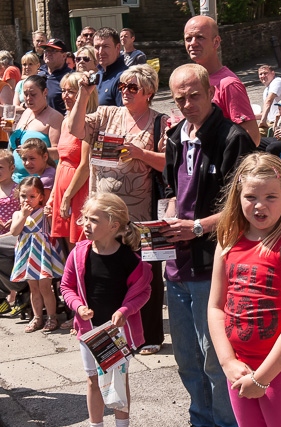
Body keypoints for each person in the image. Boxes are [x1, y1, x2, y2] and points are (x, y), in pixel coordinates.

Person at [160, 63, 255, 427]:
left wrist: (197, 228)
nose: (187, 104)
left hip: (212, 264)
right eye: (180, 98)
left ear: (211, 93)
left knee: (216, 359)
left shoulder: (232, 138)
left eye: (194, 95)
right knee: (186, 358)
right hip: (176, 264)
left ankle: (227, 423)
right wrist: (167, 215)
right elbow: (170, 190)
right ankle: (200, 419)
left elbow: (245, 207)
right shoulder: (174, 138)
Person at [68, 63, 167, 356]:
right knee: (106, 273)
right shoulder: (108, 114)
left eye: (132, 87)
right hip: (104, 212)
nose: (125, 92)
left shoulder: (160, 122)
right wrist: (84, 95)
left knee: (143, 273)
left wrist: (140, 153)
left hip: (140, 214)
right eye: (122, 86)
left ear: (148, 92)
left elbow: (166, 163)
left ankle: (149, 336)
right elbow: (75, 129)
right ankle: (109, 335)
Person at [208, 152, 281, 427]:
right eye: (251, 197)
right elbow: (215, 307)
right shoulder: (228, 239)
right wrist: (227, 362)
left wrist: (263, 377)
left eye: (271, 197)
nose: (260, 206)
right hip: (239, 368)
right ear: (238, 196)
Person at [60, 192, 152, 427]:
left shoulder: (129, 260)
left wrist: (125, 310)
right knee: (93, 380)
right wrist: (78, 306)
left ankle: (122, 424)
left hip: (116, 332)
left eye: (93, 220)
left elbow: (142, 292)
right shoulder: (78, 253)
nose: (86, 225)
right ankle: (96, 424)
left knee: (118, 380)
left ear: (114, 225)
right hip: (89, 331)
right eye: (85, 218)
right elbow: (66, 286)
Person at [183, 15, 260, 146]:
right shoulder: (192, 80)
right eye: (188, 38)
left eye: (200, 37)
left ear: (216, 42)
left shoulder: (228, 84)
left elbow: (252, 138)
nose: (192, 43)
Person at [47, 72, 98, 250]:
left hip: (78, 191)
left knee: (81, 245)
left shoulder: (90, 122)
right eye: (63, 91)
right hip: (63, 189)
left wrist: (67, 197)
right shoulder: (66, 121)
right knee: (67, 249)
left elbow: (85, 166)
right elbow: (62, 160)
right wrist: (53, 196)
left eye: (71, 91)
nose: (65, 96)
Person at [10, 176, 66, 333]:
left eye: (32, 196)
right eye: (23, 196)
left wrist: (49, 215)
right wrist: (24, 216)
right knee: (33, 288)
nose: (27, 200)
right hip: (28, 256)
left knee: (45, 287)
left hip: (42, 256)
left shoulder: (43, 213)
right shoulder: (18, 214)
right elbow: (15, 231)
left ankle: (52, 316)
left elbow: (53, 228)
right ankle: (37, 317)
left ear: (41, 197)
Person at [2, 75, 63, 183]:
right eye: (26, 94)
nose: (29, 98)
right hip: (14, 179)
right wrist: (9, 131)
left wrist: (32, 152)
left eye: (33, 94)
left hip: (37, 182)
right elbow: (15, 145)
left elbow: (58, 152)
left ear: (45, 92)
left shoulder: (54, 117)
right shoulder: (26, 112)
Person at [0, 150, 22, 314]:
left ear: (12, 168)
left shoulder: (17, 189)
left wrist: (15, 220)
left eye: (0, 167)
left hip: (15, 234)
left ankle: (17, 292)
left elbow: (23, 211)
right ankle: (3, 297)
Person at [93, 27, 128, 106]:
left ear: (117, 48)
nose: (100, 52)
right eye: (97, 47)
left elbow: (125, 115)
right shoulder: (96, 75)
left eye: (106, 46)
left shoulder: (124, 77)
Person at [37, 39, 73, 115]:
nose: (48, 54)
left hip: (60, 123)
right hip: (39, 123)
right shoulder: (39, 74)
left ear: (64, 56)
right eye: (46, 51)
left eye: (53, 51)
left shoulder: (70, 77)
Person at [257, 65, 281, 135]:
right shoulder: (266, 90)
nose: (263, 76)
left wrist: (263, 121)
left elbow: (269, 101)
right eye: (260, 74)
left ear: (273, 73)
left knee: (254, 134)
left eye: (265, 73)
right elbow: (266, 113)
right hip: (272, 122)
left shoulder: (277, 81)